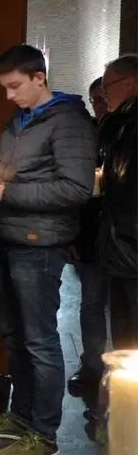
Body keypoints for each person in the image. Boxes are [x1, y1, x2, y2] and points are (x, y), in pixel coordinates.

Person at [0, 45, 97, 455]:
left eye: (14, 86)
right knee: (15, 335)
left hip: (39, 244)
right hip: (9, 237)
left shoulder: (69, 122)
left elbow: (76, 188)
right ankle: (20, 415)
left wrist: (5, 190)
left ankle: (43, 435)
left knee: (40, 341)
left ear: (39, 78)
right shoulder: (20, 120)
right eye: (5, 88)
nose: (8, 96)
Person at [67, 75, 112, 405]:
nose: (101, 104)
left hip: (124, 235)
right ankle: (93, 366)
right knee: (92, 303)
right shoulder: (89, 135)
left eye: (105, 96)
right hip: (92, 234)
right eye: (95, 98)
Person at [97, 54, 137, 350]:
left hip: (131, 242)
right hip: (121, 243)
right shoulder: (120, 124)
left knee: (130, 334)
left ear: (131, 82)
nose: (103, 93)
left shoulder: (128, 124)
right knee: (124, 333)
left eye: (108, 86)